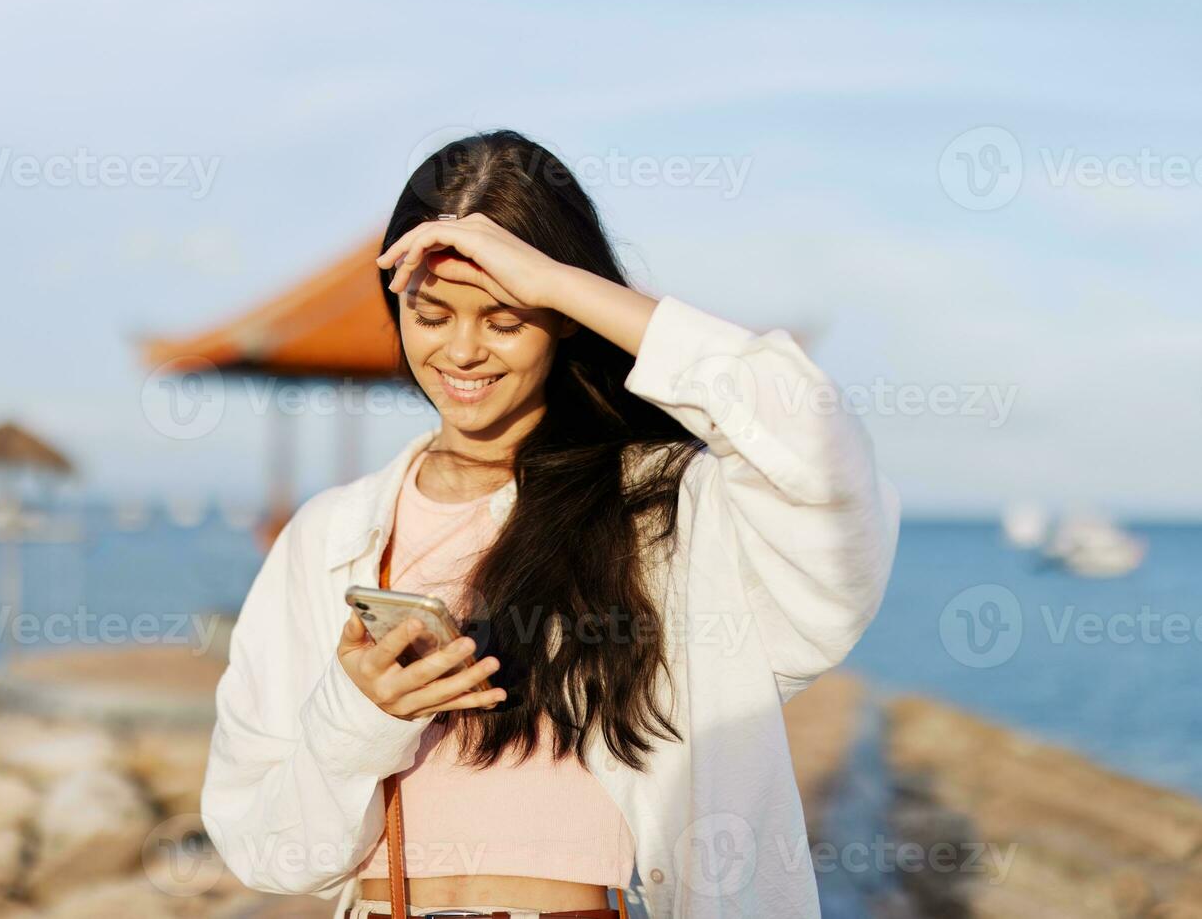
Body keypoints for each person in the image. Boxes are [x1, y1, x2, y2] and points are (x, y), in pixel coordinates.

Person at [200, 129, 901, 918]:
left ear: (562, 316)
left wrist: (563, 284)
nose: (461, 352)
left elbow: (823, 458)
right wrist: (360, 718)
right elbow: (266, 852)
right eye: (430, 315)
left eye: (504, 318)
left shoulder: (660, 512)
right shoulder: (328, 537)